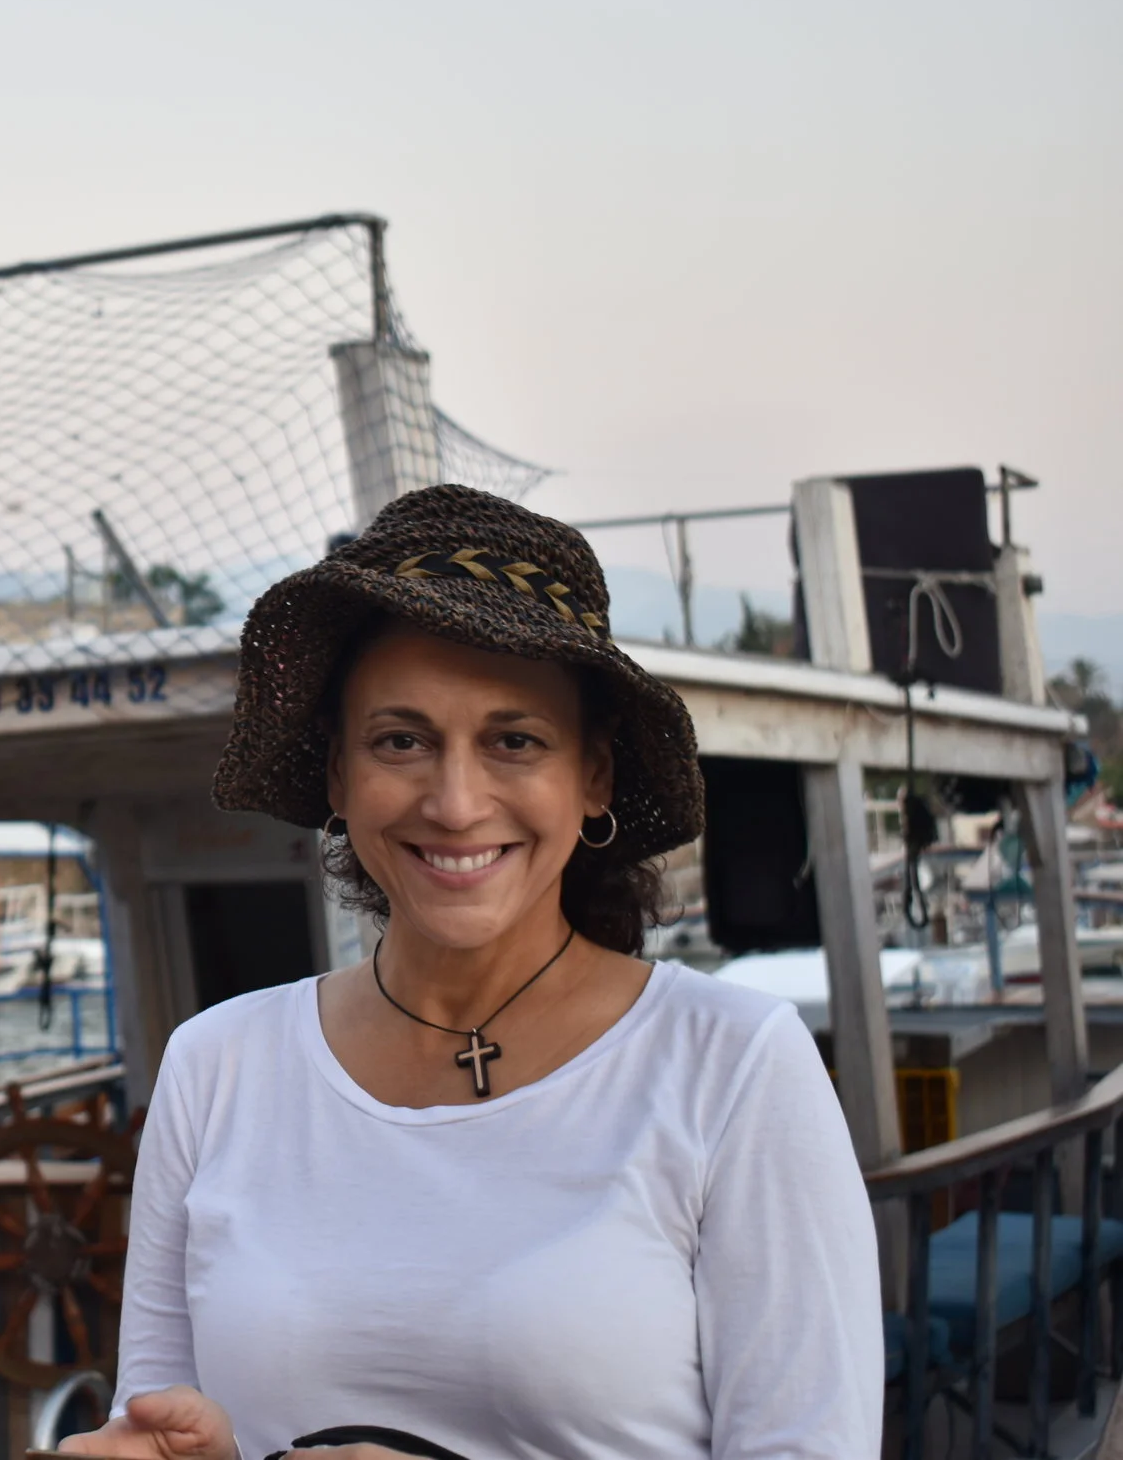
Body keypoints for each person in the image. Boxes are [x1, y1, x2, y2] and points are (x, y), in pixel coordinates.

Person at [63, 486, 880, 1460]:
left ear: (594, 776)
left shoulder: (734, 1067)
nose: (453, 802)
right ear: (337, 775)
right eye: (399, 739)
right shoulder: (213, 1067)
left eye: (515, 740)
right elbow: (153, 1428)